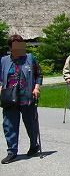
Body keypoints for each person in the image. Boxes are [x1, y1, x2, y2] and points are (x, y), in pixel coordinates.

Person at [0, 34, 42, 164]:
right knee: (9, 125)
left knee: (31, 123)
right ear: (10, 48)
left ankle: (34, 145)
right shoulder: (4, 60)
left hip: (26, 96)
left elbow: (38, 74)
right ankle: (12, 152)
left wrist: (36, 88)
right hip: (9, 97)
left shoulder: (30, 58)